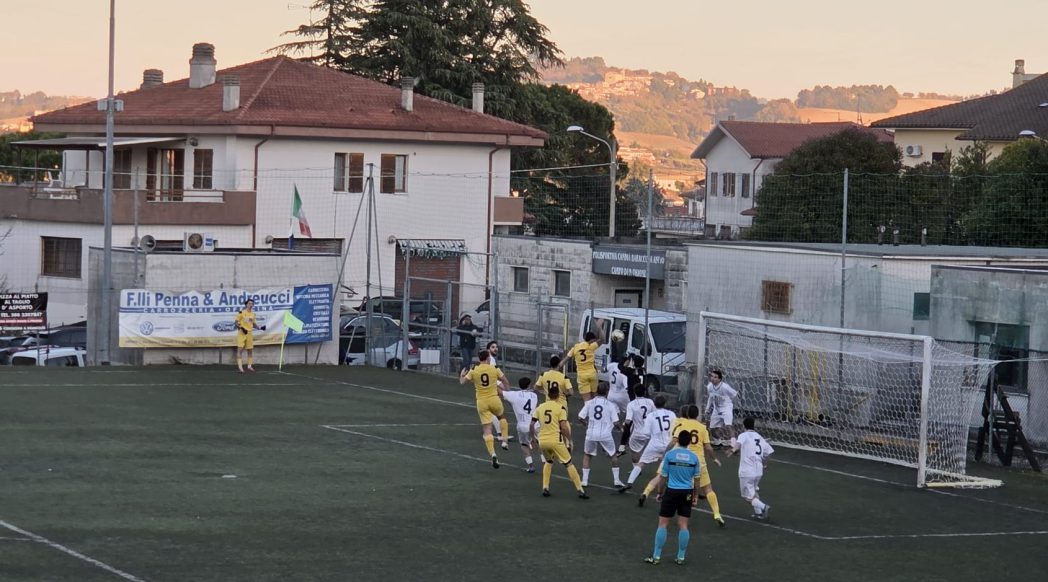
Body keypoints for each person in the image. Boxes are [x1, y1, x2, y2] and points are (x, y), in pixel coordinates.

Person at [644, 430, 701, 566]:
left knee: (663, 524)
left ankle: (656, 556)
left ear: (678, 440)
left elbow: (663, 477)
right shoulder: (694, 458)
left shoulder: (670, 455)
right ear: (689, 442)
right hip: (687, 492)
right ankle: (680, 557)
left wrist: (660, 492)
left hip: (671, 491)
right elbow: (697, 480)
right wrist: (695, 496)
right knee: (683, 525)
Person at [670, 405, 725, 528]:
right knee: (708, 489)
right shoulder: (702, 428)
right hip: (699, 461)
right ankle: (717, 514)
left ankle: (682, 513)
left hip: (684, 460)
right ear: (697, 415)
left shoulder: (682, 425)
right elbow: (708, 447)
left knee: (684, 488)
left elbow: (674, 441)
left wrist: (665, 453)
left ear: (687, 414)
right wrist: (714, 459)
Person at [530, 385, 588, 499]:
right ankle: (580, 490)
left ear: (548, 395)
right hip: (555, 440)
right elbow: (564, 427)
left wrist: (533, 438)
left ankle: (545, 487)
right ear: (558, 395)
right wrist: (569, 440)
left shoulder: (540, 407)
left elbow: (532, 424)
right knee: (568, 463)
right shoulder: (560, 408)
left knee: (548, 462)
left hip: (543, 441)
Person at [459, 349, 511, 468]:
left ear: (479, 359)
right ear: (488, 358)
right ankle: (504, 441)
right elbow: (505, 380)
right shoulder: (494, 368)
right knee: (502, 417)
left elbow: (462, 382)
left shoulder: (474, 370)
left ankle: (493, 454)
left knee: (487, 429)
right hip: (494, 399)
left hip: (482, 402)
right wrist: (507, 392)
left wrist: (462, 374)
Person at [628, 395, 677, 502]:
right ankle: (666, 488)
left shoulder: (650, 416)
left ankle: (630, 482)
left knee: (641, 463)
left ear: (654, 404)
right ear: (665, 403)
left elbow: (646, 433)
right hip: (669, 444)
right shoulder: (671, 414)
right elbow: (675, 429)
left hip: (654, 444)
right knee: (666, 468)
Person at [578, 382, 625, 488]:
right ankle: (616, 480)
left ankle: (584, 481)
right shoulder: (610, 405)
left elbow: (580, 417)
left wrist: (586, 424)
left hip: (591, 433)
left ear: (597, 391)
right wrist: (621, 429)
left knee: (587, 455)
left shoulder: (589, 403)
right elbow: (616, 422)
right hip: (605, 434)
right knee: (613, 455)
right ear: (607, 392)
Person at [727, 417, 774, 520]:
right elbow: (770, 452)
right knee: (753, 492)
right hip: (758, 471)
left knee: (746, 496)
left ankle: (763, 507)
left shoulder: (743, 435)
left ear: (744, 426)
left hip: (747, 471)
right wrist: (766, 464)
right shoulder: (759, 437)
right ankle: (758, 513)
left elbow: (738, 444)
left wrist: (733, 450)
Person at [501, 377, 540, 472]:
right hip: (535, 424)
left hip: (522, 426)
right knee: (540, 444)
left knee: (524, 445)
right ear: (529, 385)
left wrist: (495, 383)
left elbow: (500, 392)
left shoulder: (514, 395)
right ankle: (545, 462)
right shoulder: (534, 396)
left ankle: (531, 466)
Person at [559, 331, 600, 401]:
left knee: (587, 401)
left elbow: (564, 360)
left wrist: (557, 367)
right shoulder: (591, 346)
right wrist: (599, 328)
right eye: (594, 340)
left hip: (582, 375)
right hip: (592, 374)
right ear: (591, 340)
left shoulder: (575, 347)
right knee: (595, 398)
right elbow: (602, 339)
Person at [618, 382, 654, 459]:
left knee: (635, 454)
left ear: (634, 392)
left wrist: (623, 425)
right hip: (650, 434)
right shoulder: (650, 402)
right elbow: (655, 415)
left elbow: (628, 421)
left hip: (638, 434)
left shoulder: (631, 404)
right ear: (645, 392)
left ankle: (622, 447)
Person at [705, 370, 739, 446]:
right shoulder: (709, 386)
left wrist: (731, 404)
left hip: (726, 408)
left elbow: (734, 394)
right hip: (716, 409)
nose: (712, 378)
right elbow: (710, 397)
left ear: (719, 379)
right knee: (712, 429)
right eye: (712, 376)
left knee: (728, 426)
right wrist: (707, 409)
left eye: (715, 377)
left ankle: (734, 444)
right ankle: (718, 442)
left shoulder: (725, 387)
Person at [234, 299, 265, 373]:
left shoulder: (253, 314)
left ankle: (249, 366)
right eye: (249, 303)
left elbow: (253, 324)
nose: (251, 305)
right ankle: (240, 368)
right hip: (242, 333)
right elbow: (236, 323)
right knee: (240, 350)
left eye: (252, 304)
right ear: (246, 304)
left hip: (249, 333)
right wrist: (241, 328)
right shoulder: (241, 312)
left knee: (250, 350)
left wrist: (260, 328)